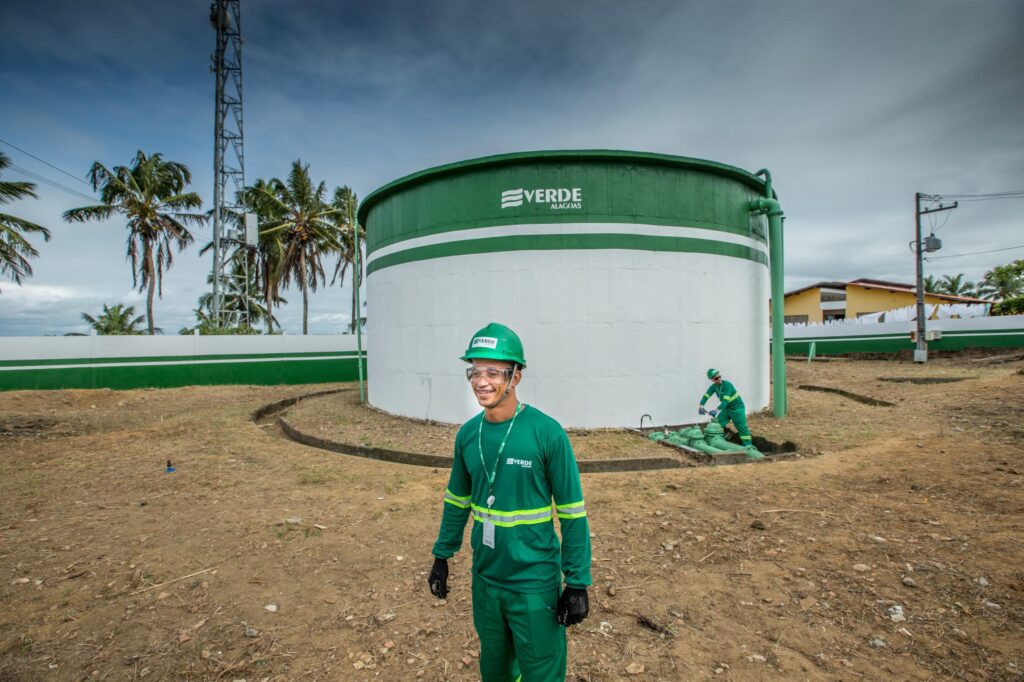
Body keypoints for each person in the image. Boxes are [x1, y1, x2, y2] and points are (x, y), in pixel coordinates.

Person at [428, 322, 592, 682]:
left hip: (533, 585)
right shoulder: (469, 434)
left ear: (516, 376)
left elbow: (573, 514)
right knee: (495, 669)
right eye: (475, 370)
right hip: (486, 581)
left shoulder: (546, 433)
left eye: (494, 372)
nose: (481, 381)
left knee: (541, 672)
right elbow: (456, 501)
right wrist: (442, 555)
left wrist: (577, 582)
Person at [698, 367, 753, 447]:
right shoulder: (714, 387)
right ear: (712, 379)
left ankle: (748, 446)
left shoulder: (727, 385)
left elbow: (725, 401)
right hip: (727, 409)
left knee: (742, 428)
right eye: (716, 378)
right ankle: (720, 440)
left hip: (737, 409)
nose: (719, 379)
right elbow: (706, 396)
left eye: (719, 376)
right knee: (718, 424)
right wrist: (701, 406)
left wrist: (716, 410)